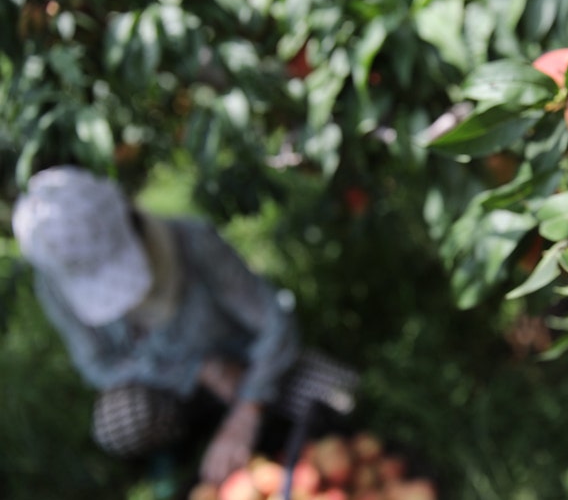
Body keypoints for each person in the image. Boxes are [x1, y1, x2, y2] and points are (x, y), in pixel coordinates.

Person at [11, 165, 352, 485]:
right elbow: (98, 365)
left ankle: (262, 427)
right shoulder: (57, 286)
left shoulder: (192, 241)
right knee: (119, 422)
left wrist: (248, 406)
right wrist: (195, 371)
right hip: (167, 390)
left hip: (243, 371)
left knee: (339, 394)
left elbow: (273, 319)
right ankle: (185, 443)